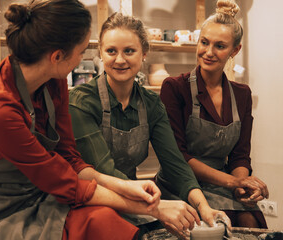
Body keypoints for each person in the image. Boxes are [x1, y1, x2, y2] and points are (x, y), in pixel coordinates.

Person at [0, 1, 201, 240]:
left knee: (104, 221)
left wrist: (126, 186)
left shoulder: (54, 81)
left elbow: (69, 158)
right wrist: (154, 209)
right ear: (57, 56)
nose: (82, 60)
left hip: (40, 195)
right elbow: (61, 181)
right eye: (81, 52)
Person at [69, 12, 228, 238]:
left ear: (144, 54)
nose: (120, 59)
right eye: (111, 51)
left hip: (135, 199)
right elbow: (102, 170)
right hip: (92, 203)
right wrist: (157, 208)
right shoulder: (82, 102)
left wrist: (203, 206)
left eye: (129, 51)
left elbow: (174, 163)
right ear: (100, 54)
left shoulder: (151, 103)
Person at [159, 0, 269, 228]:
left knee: (249, 221)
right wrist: (235, 181)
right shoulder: (175, 88)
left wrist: (242, 186)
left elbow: (240, 155)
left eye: (220, 46)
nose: (208, 52)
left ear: (234, 50)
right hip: (181, 181)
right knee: (213, 227)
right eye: (204, 42)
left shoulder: (242, 94)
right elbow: (178, 157)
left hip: (223, 181)